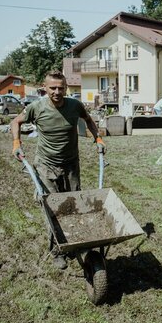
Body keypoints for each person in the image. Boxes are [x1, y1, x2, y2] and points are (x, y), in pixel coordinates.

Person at [10, 70, 104, 269]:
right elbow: (16, 122)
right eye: (52, 88)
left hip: (71, 164)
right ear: (45, 88)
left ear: (66, 88)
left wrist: (98, 138)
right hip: (46, 165)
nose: (57, 91)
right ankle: (57, 251)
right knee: (52, 207)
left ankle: (76, 243)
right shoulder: (36, 107)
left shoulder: (74, 105)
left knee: (73, 203)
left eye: (61, 88)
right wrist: (17, 143)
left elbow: (88, 120)